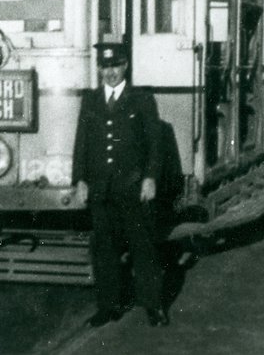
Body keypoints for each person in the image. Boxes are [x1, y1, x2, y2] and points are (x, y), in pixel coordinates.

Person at [72, 42, 169, 328]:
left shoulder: (141, 99)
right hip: (101, 189)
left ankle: (154, 306)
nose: (110, 72)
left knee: (143, 249)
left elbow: (155, 144)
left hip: (133, 187)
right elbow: (82, 142)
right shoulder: (91, 100)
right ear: (99, 69)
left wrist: (150, 177)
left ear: (125, 66)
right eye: (105, 67)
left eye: (115, 66)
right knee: (104, 251)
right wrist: (80, 179)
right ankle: (108, 307)